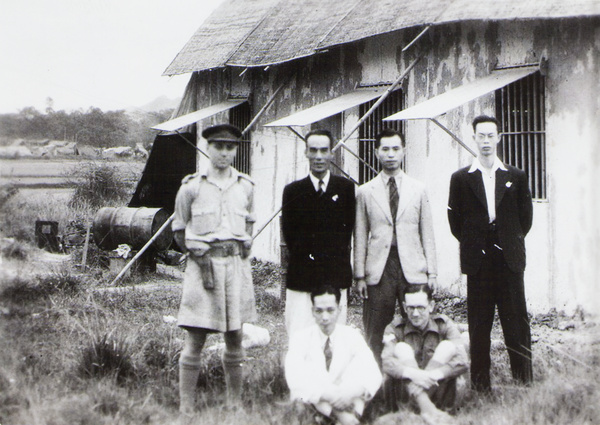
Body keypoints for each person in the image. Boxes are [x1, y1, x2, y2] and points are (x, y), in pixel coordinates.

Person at [172, 124, 256, 416]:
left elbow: (248, 225)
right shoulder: (191, 187)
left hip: (235, 267)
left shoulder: (246, 186)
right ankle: (186, 407)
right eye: (218, 146)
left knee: (235, 337)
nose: (223, 152)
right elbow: (179, 231)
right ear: (207, 148)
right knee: (194, 338)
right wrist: (197, 253)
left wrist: (243, 247)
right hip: (203, 268)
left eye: (229, 147)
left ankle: (234, 403)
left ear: (236, 150)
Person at [447, 115, 533, 392]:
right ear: (474, 137)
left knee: (516, 323)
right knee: (479, 325)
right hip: (479, 262)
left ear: (499, 137)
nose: (486, 141)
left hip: (509, 260)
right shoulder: (461, 178)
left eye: (490, 135)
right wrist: (477, 244)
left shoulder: (516, 176)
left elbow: (525, 219)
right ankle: (481, 387)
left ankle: (523, 383)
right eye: (480, 136)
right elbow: (456, 222)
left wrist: (506, 241)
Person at [354, 128, 437, 363]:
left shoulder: (418, 189)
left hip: (413, 266)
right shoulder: (365, 192)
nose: (391, 154)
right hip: (380, 268)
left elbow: (427, 233)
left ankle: (418, 377)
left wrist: (432, 272)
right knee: (375, 328)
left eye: (395, 149)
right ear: (376, 152)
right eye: (385, 149)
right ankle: (377, 382)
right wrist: (360, 276)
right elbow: (360, 235)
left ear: (404, 151)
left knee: (418, 324)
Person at [281, 129, 355, 336]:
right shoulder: (293, 191)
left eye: (324, 150)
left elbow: (345, 234)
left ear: (332, 153)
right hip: (302, 277)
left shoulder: (346, 189)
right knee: (299, 335)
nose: (319, 156)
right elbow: (291, 236)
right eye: (313, 150)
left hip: (335, 276)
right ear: (306, 153)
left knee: (335, 338)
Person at [285, 286, 382, 425]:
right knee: (307, 376)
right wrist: (330, 398)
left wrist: (349, 393)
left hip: (349, 401)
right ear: (312, 311)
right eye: (319, 311)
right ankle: (342, 419)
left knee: (359, 368)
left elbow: (374, 374)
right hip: (316, 405)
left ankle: (349, 417)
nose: (325, 317)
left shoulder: (352, 335)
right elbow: (295, 379)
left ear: (339, 310)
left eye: (330, 310)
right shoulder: (301, 338)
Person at [380, 284, 467, 425]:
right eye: (410, 308)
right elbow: (386, 362)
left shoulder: (444, 325)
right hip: (405, 397)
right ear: (404, 306)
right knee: (402, 348)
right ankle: (428, 409)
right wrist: (415, 375)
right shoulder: (395, 328)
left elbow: (463, 360)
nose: (415, 313)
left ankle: (425, 408)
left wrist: (433, 374)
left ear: (431, 306)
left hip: (439, 392)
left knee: (447, 347)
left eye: (420, 307)